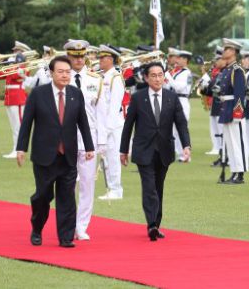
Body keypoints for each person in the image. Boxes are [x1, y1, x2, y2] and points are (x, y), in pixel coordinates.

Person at [16, 55, 95, 248]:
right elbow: (27, 122)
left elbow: (83, 121)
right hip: (44, 155)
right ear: (51, 73)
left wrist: (89, 146)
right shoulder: (38, 94)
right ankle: (37, 227)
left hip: (68, 155)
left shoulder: (76, 93)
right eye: (60, 71)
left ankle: (66, 237)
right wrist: (21, 148)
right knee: (43, 196)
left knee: (67, 196)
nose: (65, 75)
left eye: (68, 72)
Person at [120, 62, 190, 241]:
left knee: (158, 187)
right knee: (149, 186)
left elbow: (181, 123)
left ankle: (156, 224)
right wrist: (123, 150)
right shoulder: (138, 97)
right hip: (143, 149)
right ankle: (151, 224)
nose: (158, 79)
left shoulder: (171, 98)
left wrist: (186, 145)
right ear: (146, 78)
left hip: (164, 149)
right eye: (153, 75)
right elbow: (128, 125)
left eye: (160, 75)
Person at [65, 40, 108, 241]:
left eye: (82, 56)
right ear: (68, 57)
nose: (79, 60)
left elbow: (101, 113)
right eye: (75, 56)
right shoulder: (61, 78)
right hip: (66, 138)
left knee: (87, 184)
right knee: (67, 183)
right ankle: (68, 222)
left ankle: (81, 226)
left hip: (89, 138)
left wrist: (102, 142)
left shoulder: (95, 80)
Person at [216, 38, 249, 184]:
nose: (224, 51)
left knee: (238, 142)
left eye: (227, 49)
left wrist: (238, 112)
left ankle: (240, 173)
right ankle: (234, 171)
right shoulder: (227, 70)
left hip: (234, 108)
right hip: (226, 107)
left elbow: (240, 93)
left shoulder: (237, 70)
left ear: (234, 52)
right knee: (230, 143)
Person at [97, 43, 126, 201]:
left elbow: (114, 106)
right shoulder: (104, 76)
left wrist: (107, 128)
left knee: (113, 158)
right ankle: (110, 188)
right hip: (104, 124)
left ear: (111, 59)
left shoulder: (115, 77)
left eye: (102, 57)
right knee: (105, 158)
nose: (99, 60)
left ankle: (116, 189)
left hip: (113, 125)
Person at [0, 41, 30, 159]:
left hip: (18, 97)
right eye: (14, 51)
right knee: (14, 126)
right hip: (10, 97)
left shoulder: (24, 65)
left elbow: (15, 76)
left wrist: (9, 67)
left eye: (17, 51)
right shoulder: (13, 66)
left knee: (18, 126)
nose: (14, 53)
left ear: (23, 53)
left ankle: (19, 150)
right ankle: (15, 148)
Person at [166, 49, 193, 163]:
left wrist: (168, 76)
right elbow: (169, 87)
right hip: (172, 100)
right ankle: (178, 152)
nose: (178, 60)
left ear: (186, 60)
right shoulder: (176, 72)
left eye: (180, 58)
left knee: (181, 128)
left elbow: (179, 87)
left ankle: (185, 154)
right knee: (171, 129)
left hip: (182, 99)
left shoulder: (186, 73)